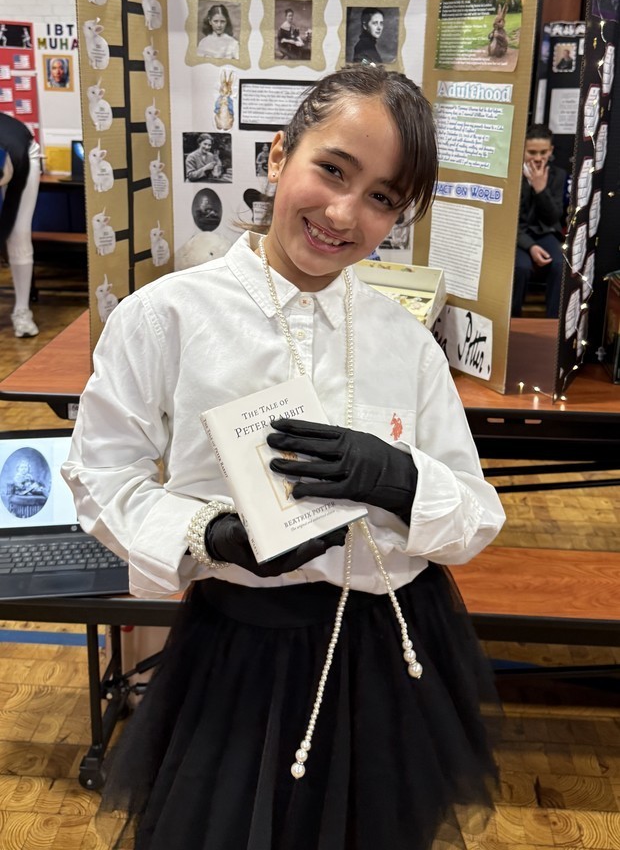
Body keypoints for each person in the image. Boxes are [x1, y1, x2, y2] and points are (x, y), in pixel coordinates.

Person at [62, 65, 505, 850]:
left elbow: (475, 515)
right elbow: (102, 479)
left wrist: (403, 480)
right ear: (278, 156)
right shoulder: (167, 317)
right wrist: (212, 535)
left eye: (381, 197)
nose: (344, 213)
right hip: (241, 653)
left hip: (392, 649)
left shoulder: (404, 340)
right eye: (331, 170)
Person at [512, 124, 566, 318]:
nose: (537, 158)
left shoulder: (557, 175)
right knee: (521, 267)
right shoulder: (512, 175)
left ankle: (553, 322)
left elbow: (554, 217)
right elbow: (510, 222)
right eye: (532, 152)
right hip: (517, 235)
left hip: (545, 232)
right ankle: (513, 319)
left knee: (560, 264)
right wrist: (531, 247)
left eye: (543, 152)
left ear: (550, 151)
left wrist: (540, 189)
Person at [0, 112, 41, 337]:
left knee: (18, 234)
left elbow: (7, 218)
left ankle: (22, 312)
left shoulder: (13, 156)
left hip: (24, 155)